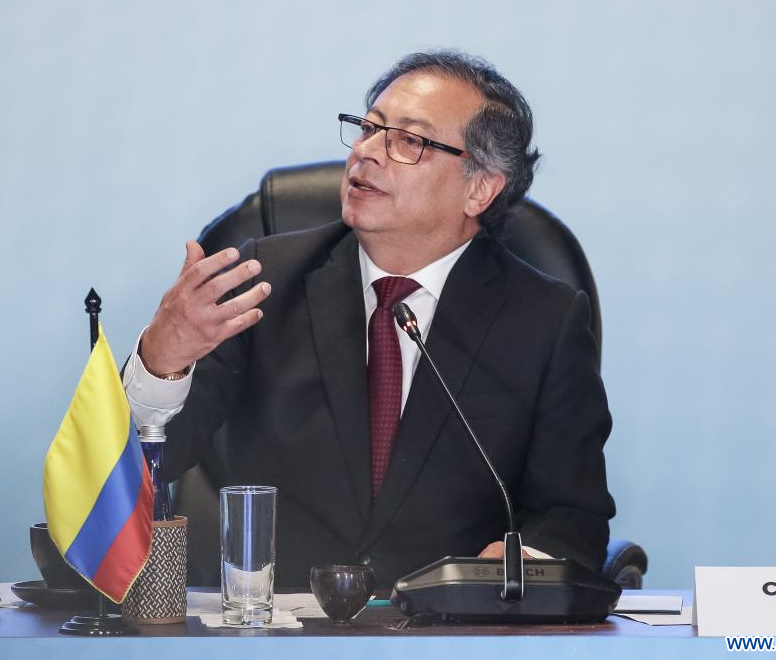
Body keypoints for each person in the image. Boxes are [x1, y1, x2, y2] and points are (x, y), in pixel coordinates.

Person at [123, 50, 615, 588]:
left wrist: (523, 565)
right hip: (274, 617)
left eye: (410, 141)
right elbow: (134, 474)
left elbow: (573, 518)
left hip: (449, 623)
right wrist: (160, 361)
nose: (366, 152)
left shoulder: (545, 320)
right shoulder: (264, 283)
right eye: (368, 128)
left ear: (480, 188)